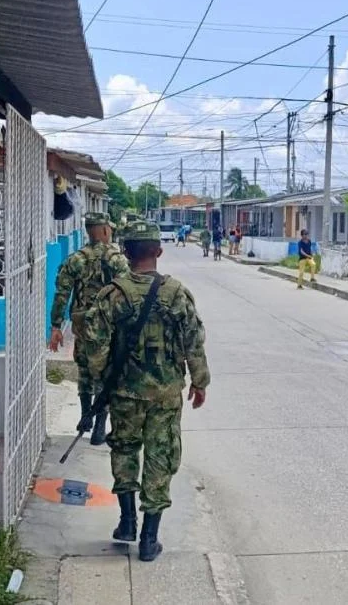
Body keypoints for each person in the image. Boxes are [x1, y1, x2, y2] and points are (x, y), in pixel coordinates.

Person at [79, 220, 210, 563]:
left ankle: (127, 523)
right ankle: (150, 540)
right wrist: (199, 381)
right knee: (160, 458)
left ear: (126, 252)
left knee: (124, 452)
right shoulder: (177, 293)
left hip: (124, 394)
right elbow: (193, 340)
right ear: (159, 251)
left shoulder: (111, 295)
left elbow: (94, 345)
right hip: (166, 395)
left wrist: (100, 379)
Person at [49, 212, 130, 444]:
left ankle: (86, 417)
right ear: (104, 230)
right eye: (110, 229)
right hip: (110, 328)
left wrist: (56, 326)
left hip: (83, 325)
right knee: (106, 374)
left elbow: (62, 294)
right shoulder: (118, 260)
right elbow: (128, 296)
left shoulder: (76, 259)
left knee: (84, 372)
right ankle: (100, 427)